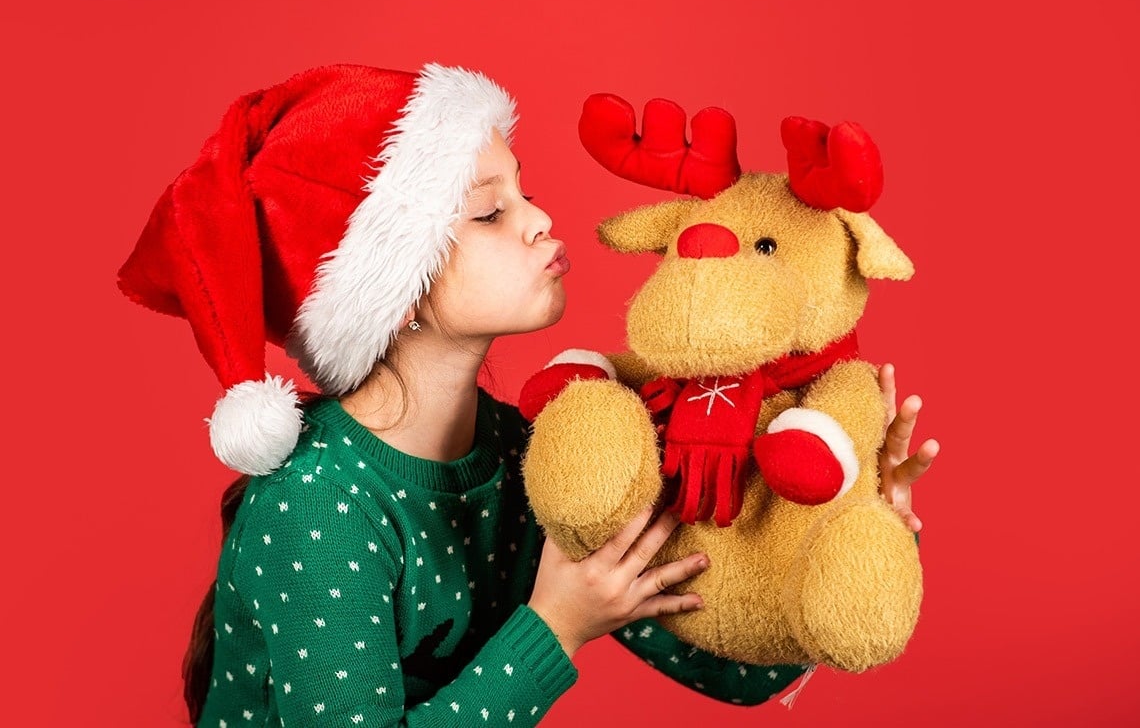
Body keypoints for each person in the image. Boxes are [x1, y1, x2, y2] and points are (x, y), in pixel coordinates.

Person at [117, 63, 939, 727]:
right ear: (393, 289)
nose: (541, 220)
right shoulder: (320, 503)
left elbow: (729, 664)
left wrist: (829, 537)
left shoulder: (526, 452)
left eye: (526, 190)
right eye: (490, 212)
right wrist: (555, 627)